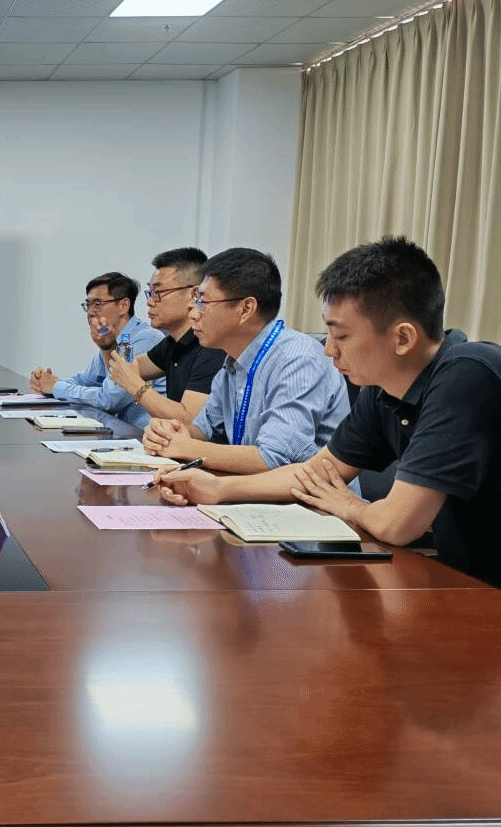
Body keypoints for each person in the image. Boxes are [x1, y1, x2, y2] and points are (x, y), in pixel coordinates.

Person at [156, 237, 501, 587]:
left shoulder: (467, 375)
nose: (328, 351)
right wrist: (215, 488)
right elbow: (315, 473)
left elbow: (397, 524)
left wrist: (349, 504)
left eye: (342, 336)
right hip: (467, 581)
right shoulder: (382, 389)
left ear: (402, 338)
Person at [142, 248, 349, 473]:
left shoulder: (298, 358)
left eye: (202, 302)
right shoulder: (232, 364)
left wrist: (185, 447)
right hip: (251, 490)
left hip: (309, 495)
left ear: (246, 309)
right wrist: (169, 434)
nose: (193, 314)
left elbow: (273, 458)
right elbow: (203, 430)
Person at [28, 272, 164, 427]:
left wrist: (55, 387)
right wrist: (48, 382)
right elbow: (84, 380)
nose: (90, 312)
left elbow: (110, 400)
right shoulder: (112, 340)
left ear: (124, 305)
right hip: (118, 432)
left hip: (143, 436)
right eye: (88, 305)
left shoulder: (145, 339)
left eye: (97, 304)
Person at [106, 247, 225, 422]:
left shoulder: (211, 347)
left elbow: (189, 422)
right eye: (150, 292)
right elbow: (123, 367)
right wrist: (107, 344)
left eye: (158, 293)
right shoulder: (172, 343)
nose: (149, 302)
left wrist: (135, 385)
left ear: (194, 295)